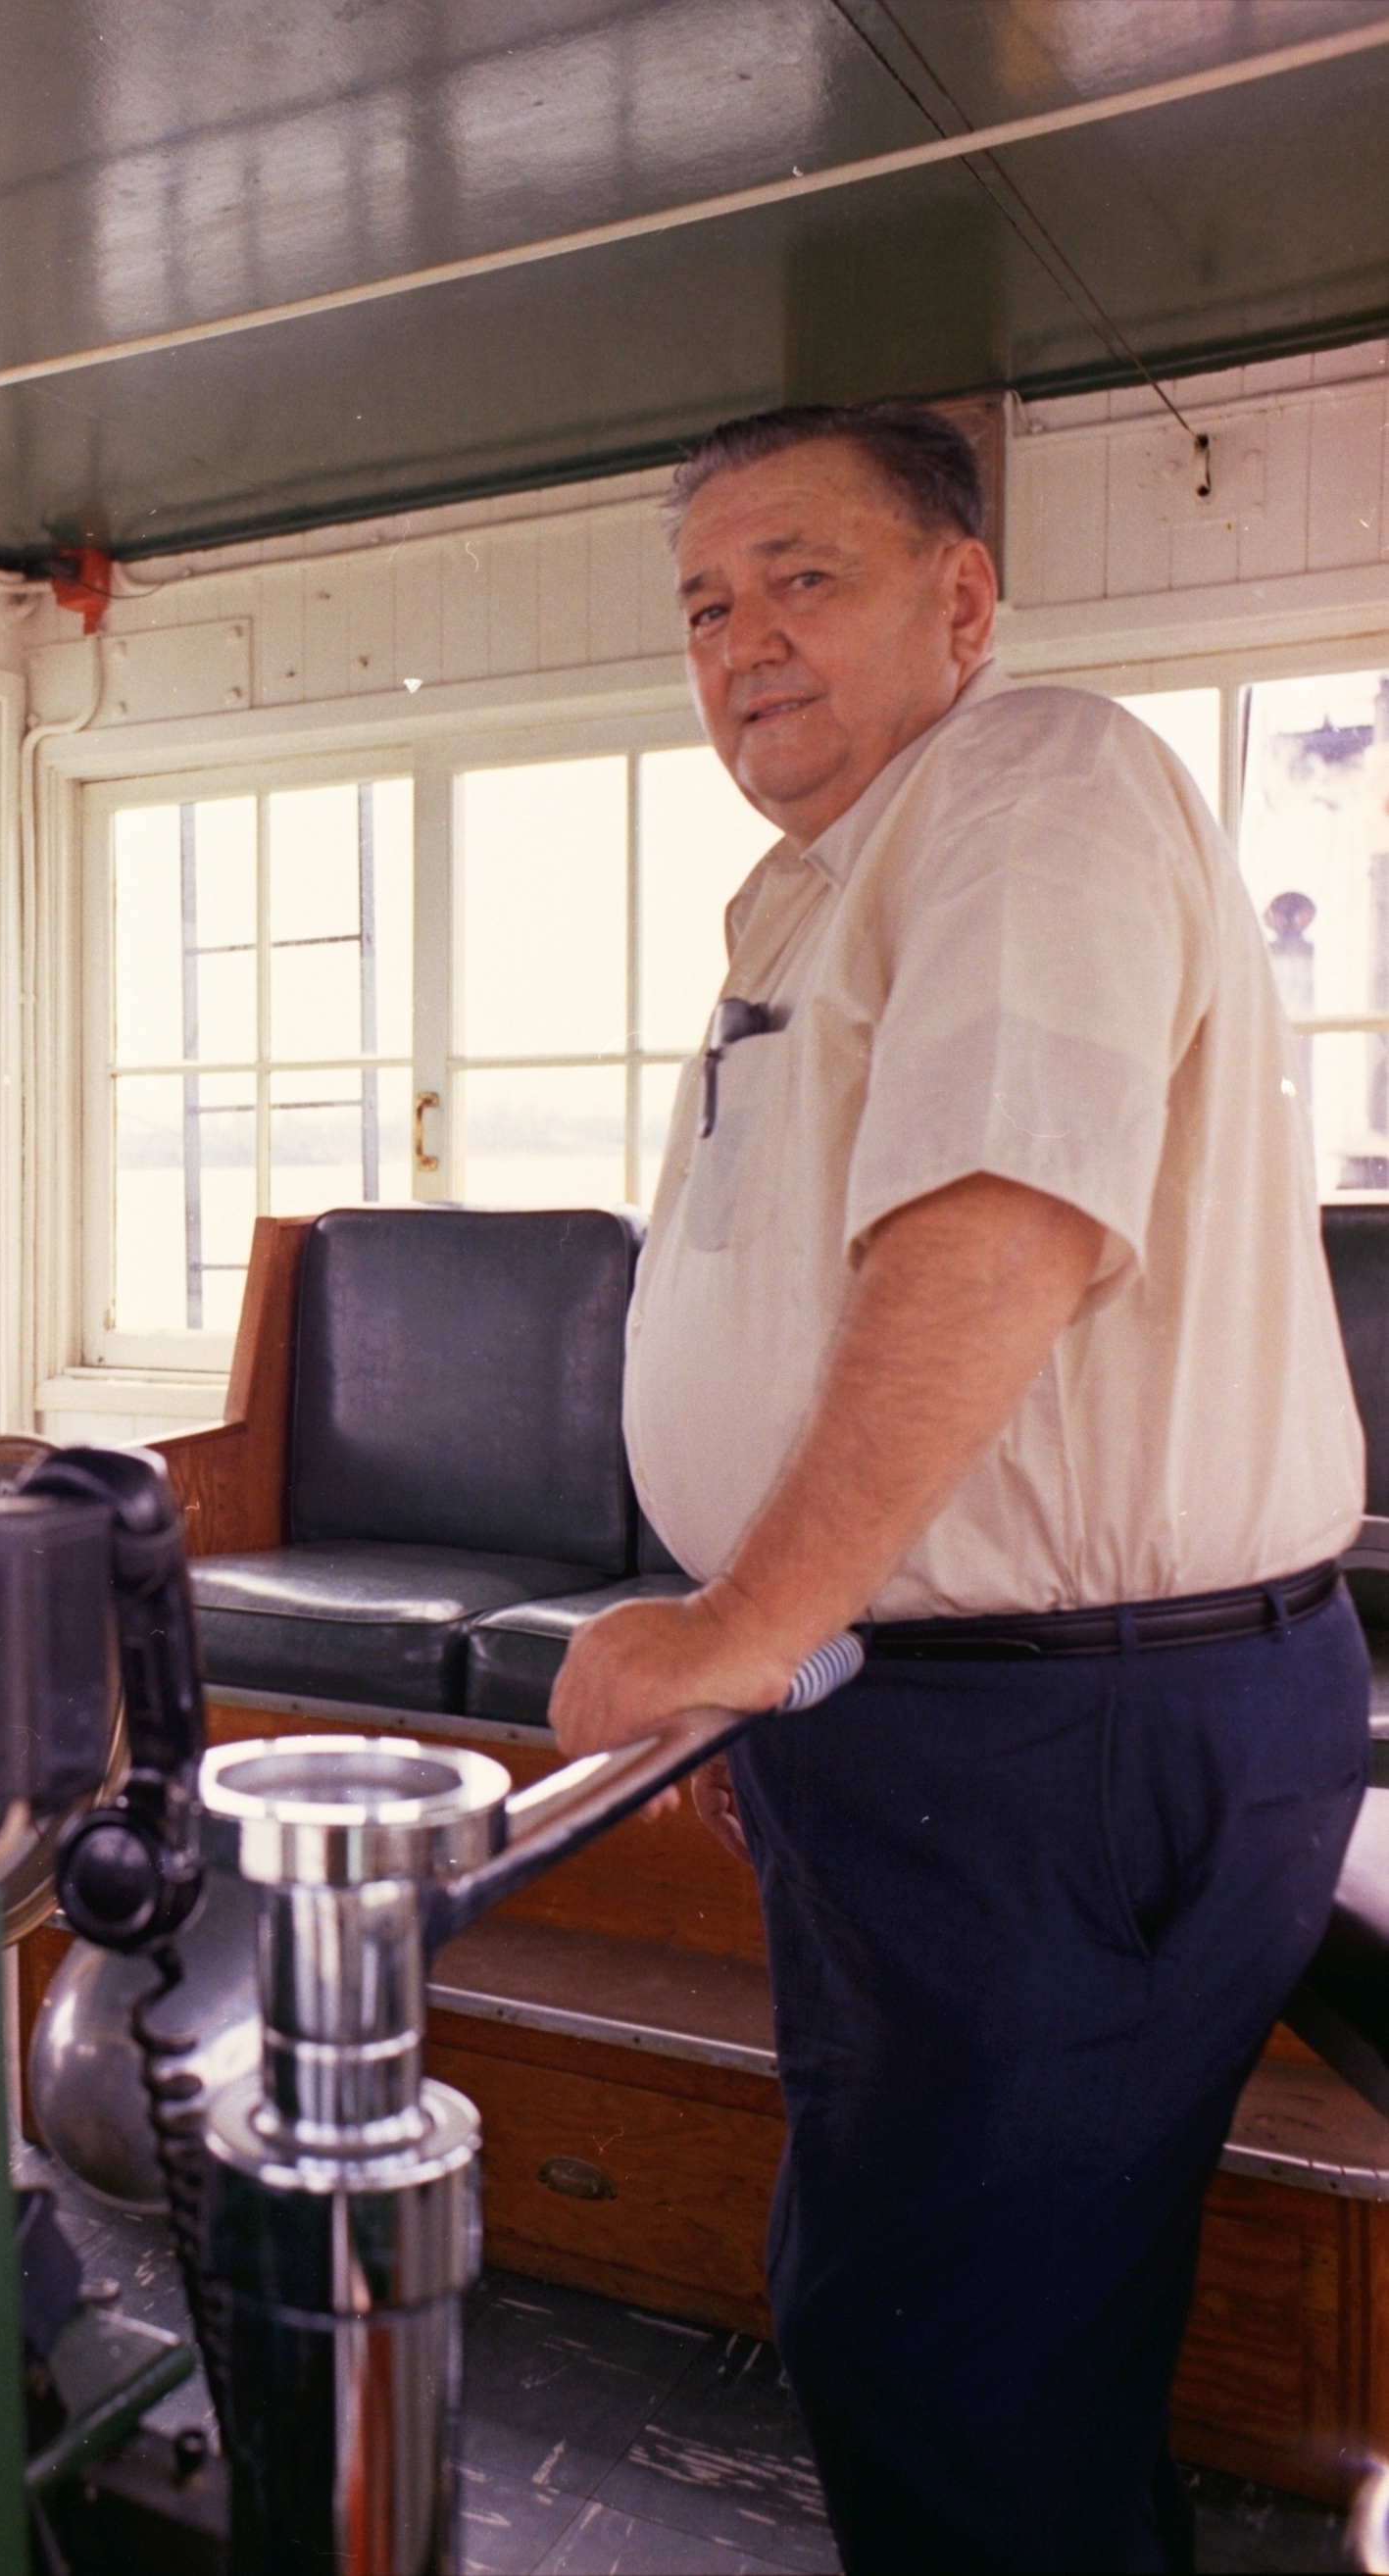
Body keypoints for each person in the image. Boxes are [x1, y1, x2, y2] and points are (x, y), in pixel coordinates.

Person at [550, 405, 1367, 2572]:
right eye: (706, 605)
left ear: (963, 601)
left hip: (1055, 1731)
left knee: (942, 2349)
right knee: (1009, 2332)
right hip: (936, 1712)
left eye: (802, 576)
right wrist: (785, 1658)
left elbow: (996, 1224)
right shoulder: (835, 882)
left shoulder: (1034, 782)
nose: (744, 642)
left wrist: (744, 1627)